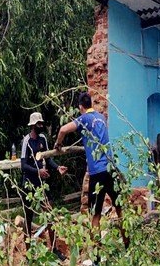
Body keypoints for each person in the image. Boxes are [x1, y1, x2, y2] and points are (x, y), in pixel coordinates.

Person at [54, 92, 129, 248]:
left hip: (97, 172)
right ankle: (128, 245)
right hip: (110, 168)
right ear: (92, 105)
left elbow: (63, 130)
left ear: (81, 107)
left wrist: (58, 144)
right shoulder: (101, 118)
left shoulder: (83, 119)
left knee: (95, 215)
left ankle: (96, 257)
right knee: (120, 208)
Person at [20, 111, 67, 259]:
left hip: (42, 185)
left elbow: (48, 158)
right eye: (39, 124)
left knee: (50, 215)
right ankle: (28, 255)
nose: (41, 126)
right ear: (33, 125)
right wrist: (37, 171)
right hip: (29, 185)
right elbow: (23, 165)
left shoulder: (43, 139)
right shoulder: (26, 141)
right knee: (28, 218)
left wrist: (56, 167)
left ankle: (53, 249)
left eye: (42, 123)